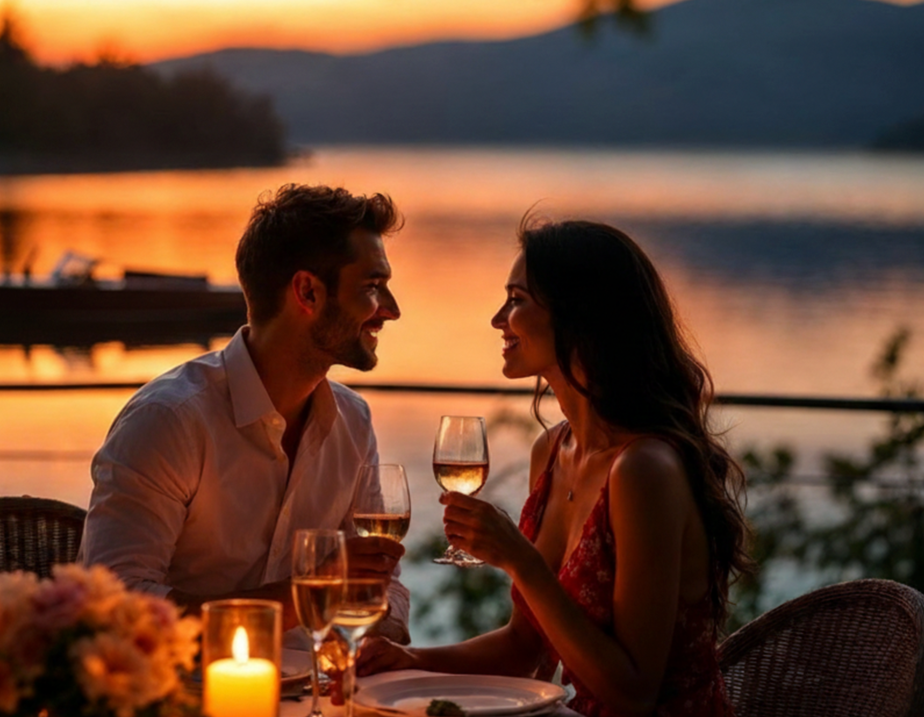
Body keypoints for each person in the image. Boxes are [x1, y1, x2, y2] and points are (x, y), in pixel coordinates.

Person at [358, 218, 753, 715]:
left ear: (578, 317)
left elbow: (634, 694)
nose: (498, 319)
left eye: (516, 300)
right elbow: (524, 648)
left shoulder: (643, 470)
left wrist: (519, 559)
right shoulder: (551, 450)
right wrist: (409, 659)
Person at [80, 183, 410, 643]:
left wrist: (381, 634)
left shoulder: (352, 422)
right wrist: (307, 594)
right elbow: (117, 604)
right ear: (307, 292)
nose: (391, 311)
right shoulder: (169, 421)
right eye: (373, 287)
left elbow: (382, 582)